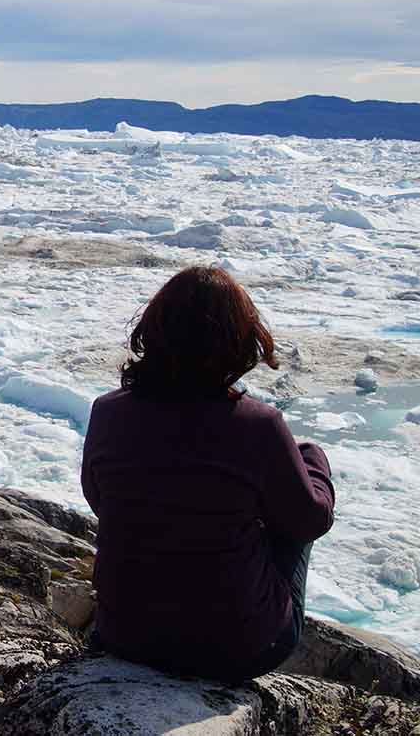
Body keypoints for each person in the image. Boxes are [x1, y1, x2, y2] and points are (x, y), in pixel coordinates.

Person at [80, 266, 335, 681]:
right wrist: (314, 462)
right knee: (288, 519)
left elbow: (98, 499)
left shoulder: (108, 412)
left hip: (124, 637)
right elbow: (310, 519)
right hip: (238, 651)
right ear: (238, 341)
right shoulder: (257, 425)